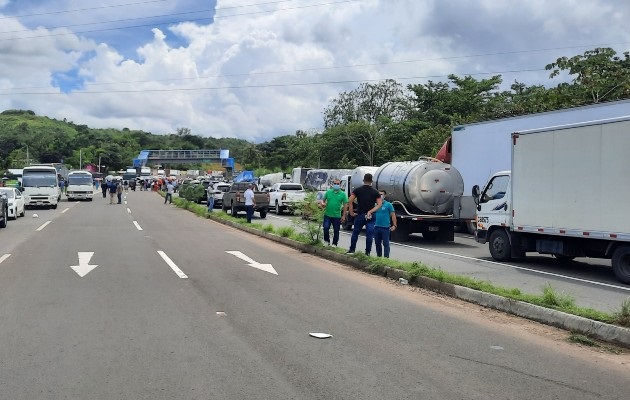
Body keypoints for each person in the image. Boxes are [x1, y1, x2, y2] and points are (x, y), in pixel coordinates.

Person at [345, 173, 382, 255]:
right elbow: (379, 204)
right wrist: (371, 211)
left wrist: (351, 212)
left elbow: (349, 201)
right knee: (369, 234)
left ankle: (352, 250)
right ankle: (367, 252)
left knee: (355, 233)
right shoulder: (375, 192)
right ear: (371, 181)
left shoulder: (357, 190)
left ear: (363, 180)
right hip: (371, 216)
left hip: (360, 214)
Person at [319, 178, 348, 247]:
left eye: (337, 184)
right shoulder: (328, 192)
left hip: (336, 216)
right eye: (335, 183)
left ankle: (334, 243)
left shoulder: (343, 194)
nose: (336, 185)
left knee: (336, 230)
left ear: (340, 185)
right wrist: (322, 203)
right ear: (332, 184)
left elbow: (345, 206)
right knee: (325, 228)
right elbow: (322, 200)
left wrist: (344, 216)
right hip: (327, 214)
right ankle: (326, 241)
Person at [373, 190, 397, 258]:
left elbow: (393, 215)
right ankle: (379, 257)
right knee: (377, 243)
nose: (380, 196)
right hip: (376, 227)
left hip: (385, 228)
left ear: (385, 195)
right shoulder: (375, 204)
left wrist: (394, 225)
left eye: (382, 194)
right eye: (379, 194)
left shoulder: (388, 204)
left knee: (386, 244)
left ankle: (386, 258)